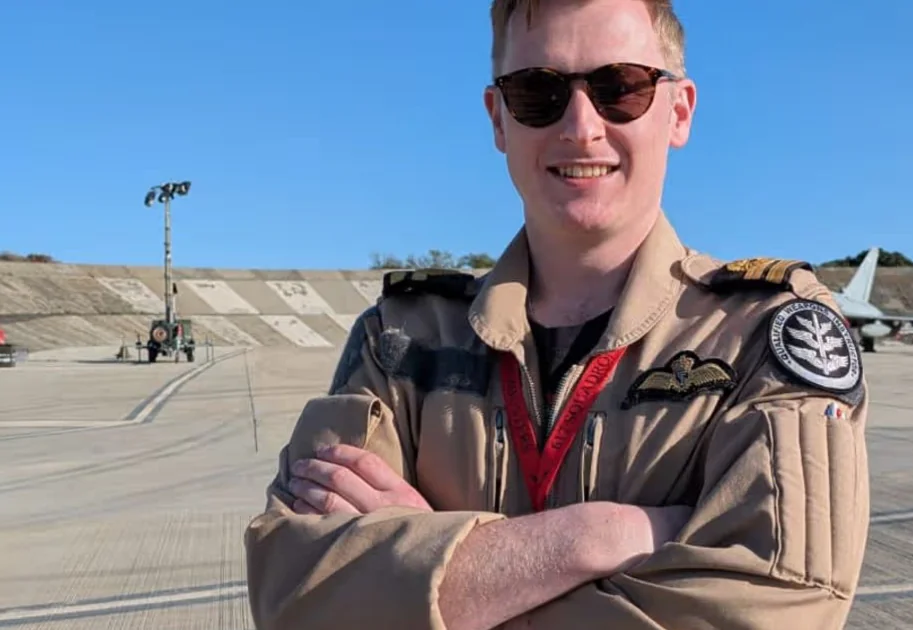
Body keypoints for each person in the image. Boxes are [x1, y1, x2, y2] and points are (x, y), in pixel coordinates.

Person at [243, 0, 871, 628]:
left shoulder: (767, 335)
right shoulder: (401, 341)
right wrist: (592, 537)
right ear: (498, 119)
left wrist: (443, 575)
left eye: (620, 87)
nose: (580, 125)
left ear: (678, 112)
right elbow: (297, 597)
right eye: (537, 92)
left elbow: (775, 609)